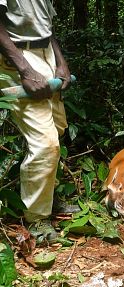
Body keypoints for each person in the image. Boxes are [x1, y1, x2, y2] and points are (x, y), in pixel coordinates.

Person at [0, 1, 72, 225]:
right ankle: (36, 219)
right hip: (19, 55)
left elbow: (46, 29)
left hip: (46, 54)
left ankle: (47, 198)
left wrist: (61, 62)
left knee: (58, 128)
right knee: (45, 143)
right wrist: (25, 69)